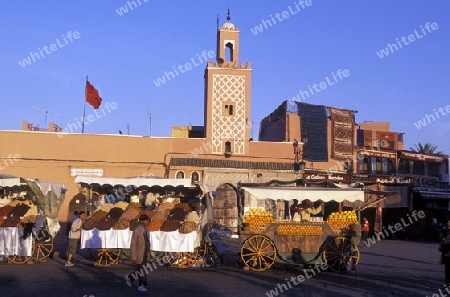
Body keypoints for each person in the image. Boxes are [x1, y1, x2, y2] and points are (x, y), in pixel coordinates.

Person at [125, 214, 150, 292]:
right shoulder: (137, 230)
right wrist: (134, 256)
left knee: (142, 270)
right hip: (139, 253)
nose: (147, 222)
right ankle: (141, 285)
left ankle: (129, 278)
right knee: (142, 270)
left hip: (145, 252)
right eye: (146, 221)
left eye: (147, 220)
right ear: (142, 221)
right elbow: (133, 244)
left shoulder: (146, 229)